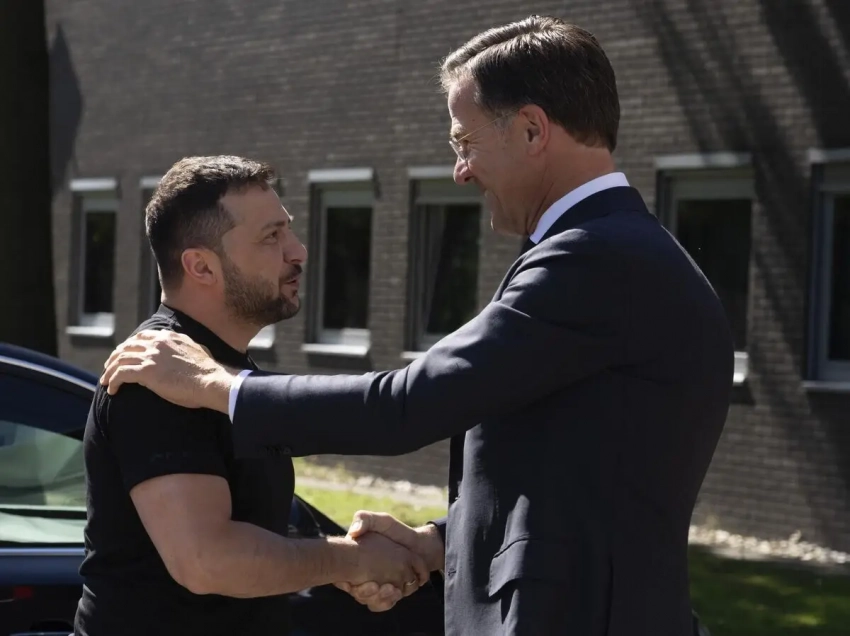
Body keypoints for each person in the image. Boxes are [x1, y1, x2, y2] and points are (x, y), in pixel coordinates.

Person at [100, 16, 733, 636]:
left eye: (465, 142)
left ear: (532, 129)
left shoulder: (593, 258)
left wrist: (216, 385)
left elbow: (408, 404)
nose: (461, 170)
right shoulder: (610, 251)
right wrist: (436, 544)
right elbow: (572, 478)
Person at [74, 155, 428, 636]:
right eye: (271, 237)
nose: (298, 251)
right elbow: (207, 560)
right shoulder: (156, 375)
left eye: (289, 230)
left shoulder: (214, 370)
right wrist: (349, 560)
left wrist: (343, 561)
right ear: (201, 266)